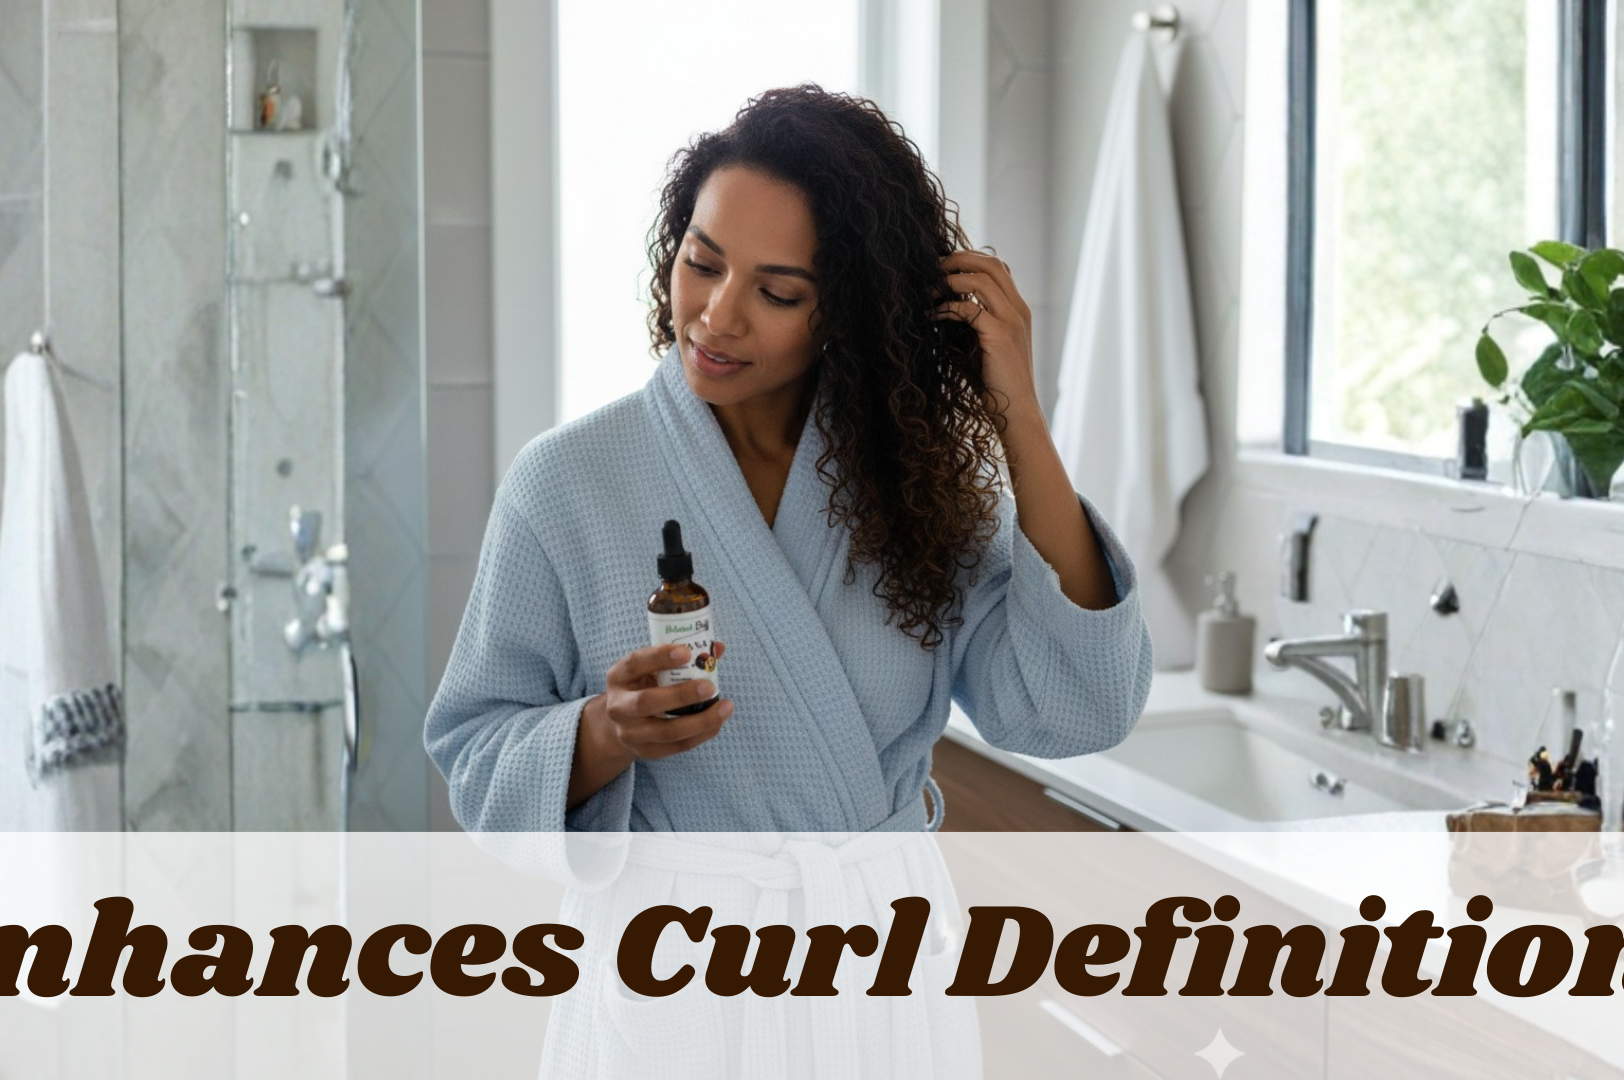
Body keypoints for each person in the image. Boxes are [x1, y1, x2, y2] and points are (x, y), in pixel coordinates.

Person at [425, 85, 1152, 832]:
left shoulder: (913, 485)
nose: (717, 316)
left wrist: (1018, 415)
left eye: (775, 293)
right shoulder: (565, 484)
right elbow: (475, 758)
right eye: (702, 264)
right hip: (674, 940)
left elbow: (1076, 707)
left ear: (846, 310)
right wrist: (608, 734)